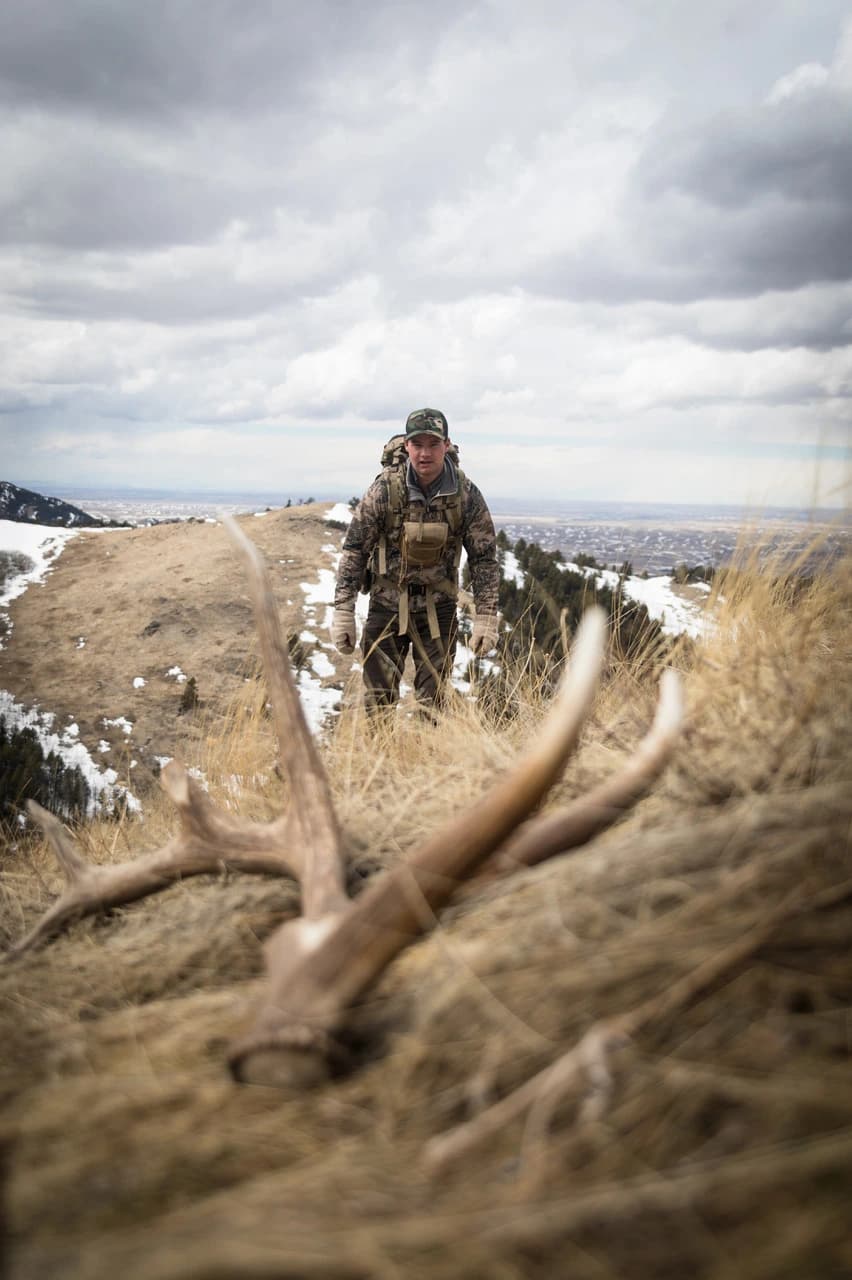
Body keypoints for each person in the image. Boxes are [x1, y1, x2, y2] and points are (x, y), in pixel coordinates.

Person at [332, 408, 500, 713]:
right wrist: (343, 610)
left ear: (446, 445)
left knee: (431, 705)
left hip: (439, 609)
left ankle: (425, 744)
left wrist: (486, 618)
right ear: (407, 445)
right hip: (386, 606)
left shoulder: (465, 495)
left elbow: (484, 559)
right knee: (378, 702)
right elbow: (355, 550)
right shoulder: (384, 490)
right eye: (418, 444)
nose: (425, 453)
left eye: (433, 444)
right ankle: (380, 747)